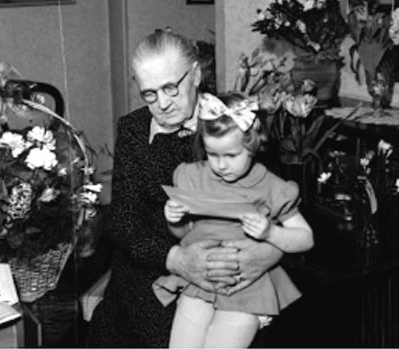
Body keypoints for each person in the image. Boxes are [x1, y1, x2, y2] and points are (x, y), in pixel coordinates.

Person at [87, 29, 285, 348]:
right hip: (153, 270)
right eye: (150, 94)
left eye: (170, 88)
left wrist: (262, 256)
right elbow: (123, 221)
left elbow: (280, 212)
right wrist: (177, 259)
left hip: (231, 271)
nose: (162, 104)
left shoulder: (235, 121)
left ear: (195, 75)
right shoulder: (134, 129)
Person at [154, 92, 314, 348]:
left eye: (231, 155)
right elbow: (185, 234)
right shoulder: (193, 177)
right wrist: (175, 220)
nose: (221, 165)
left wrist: (271, 233)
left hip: (247, 289)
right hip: (201, 281)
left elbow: (306, 238)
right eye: (212, 154)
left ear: (253, 145)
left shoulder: (272, 187)